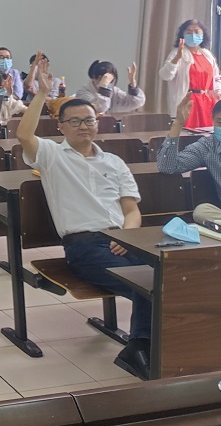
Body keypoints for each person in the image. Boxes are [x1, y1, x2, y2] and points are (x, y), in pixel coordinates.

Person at [17, 66, 152, 380]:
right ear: (61, 127)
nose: (83, 126)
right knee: (146, 284)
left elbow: (132, 211)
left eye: (89, 120)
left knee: (169, 278)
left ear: (98, 123)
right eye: (74, 121)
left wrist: (127, 236)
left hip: (126, 239)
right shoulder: (52, 155)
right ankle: (142, 349)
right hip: (86, 245)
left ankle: (144, 346)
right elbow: (24, 135)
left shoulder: (114, 162)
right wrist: (42, 93)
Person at [159, 19, 221, 128]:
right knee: (187, 133)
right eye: (189, 32)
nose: (193, 35)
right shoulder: (176, 53)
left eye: (196, 32)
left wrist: (219, 91)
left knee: (208, 134)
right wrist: (177, 58)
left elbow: (216, 79)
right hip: (187, 102)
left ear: (203, 35)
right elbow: (165, 76)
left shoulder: (208, 55)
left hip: (207, 102)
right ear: (182, 35)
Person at [74, 60, 146, 115]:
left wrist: (133, 84)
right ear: (95, 78)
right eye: (106, 79)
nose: (109, 83)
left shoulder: (114, 91)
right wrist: (103, 88)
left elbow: (136, 103)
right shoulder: (83, 92)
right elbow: (100, 109)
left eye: (111, 80)